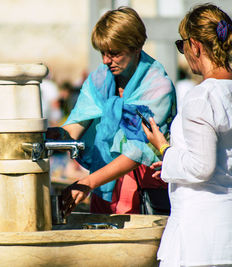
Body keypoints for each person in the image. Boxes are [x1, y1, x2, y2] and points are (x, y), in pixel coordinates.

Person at [47, 7, 175, 215]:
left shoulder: (158, 86)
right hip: (103, 185)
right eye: (103, 53)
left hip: (145, 191)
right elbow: (78, 123)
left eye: (114, 53)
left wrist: (89, 182)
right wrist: (58, 136)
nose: (106, 61)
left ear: (136, 48)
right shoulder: (99, 79)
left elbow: (137, 153)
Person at [143, 4, 232, 266]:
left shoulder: (202, 97)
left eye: (181, 46)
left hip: (200, 238)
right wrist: (173, 164)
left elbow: (202, 167)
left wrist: (165, 149)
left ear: (195, 46)